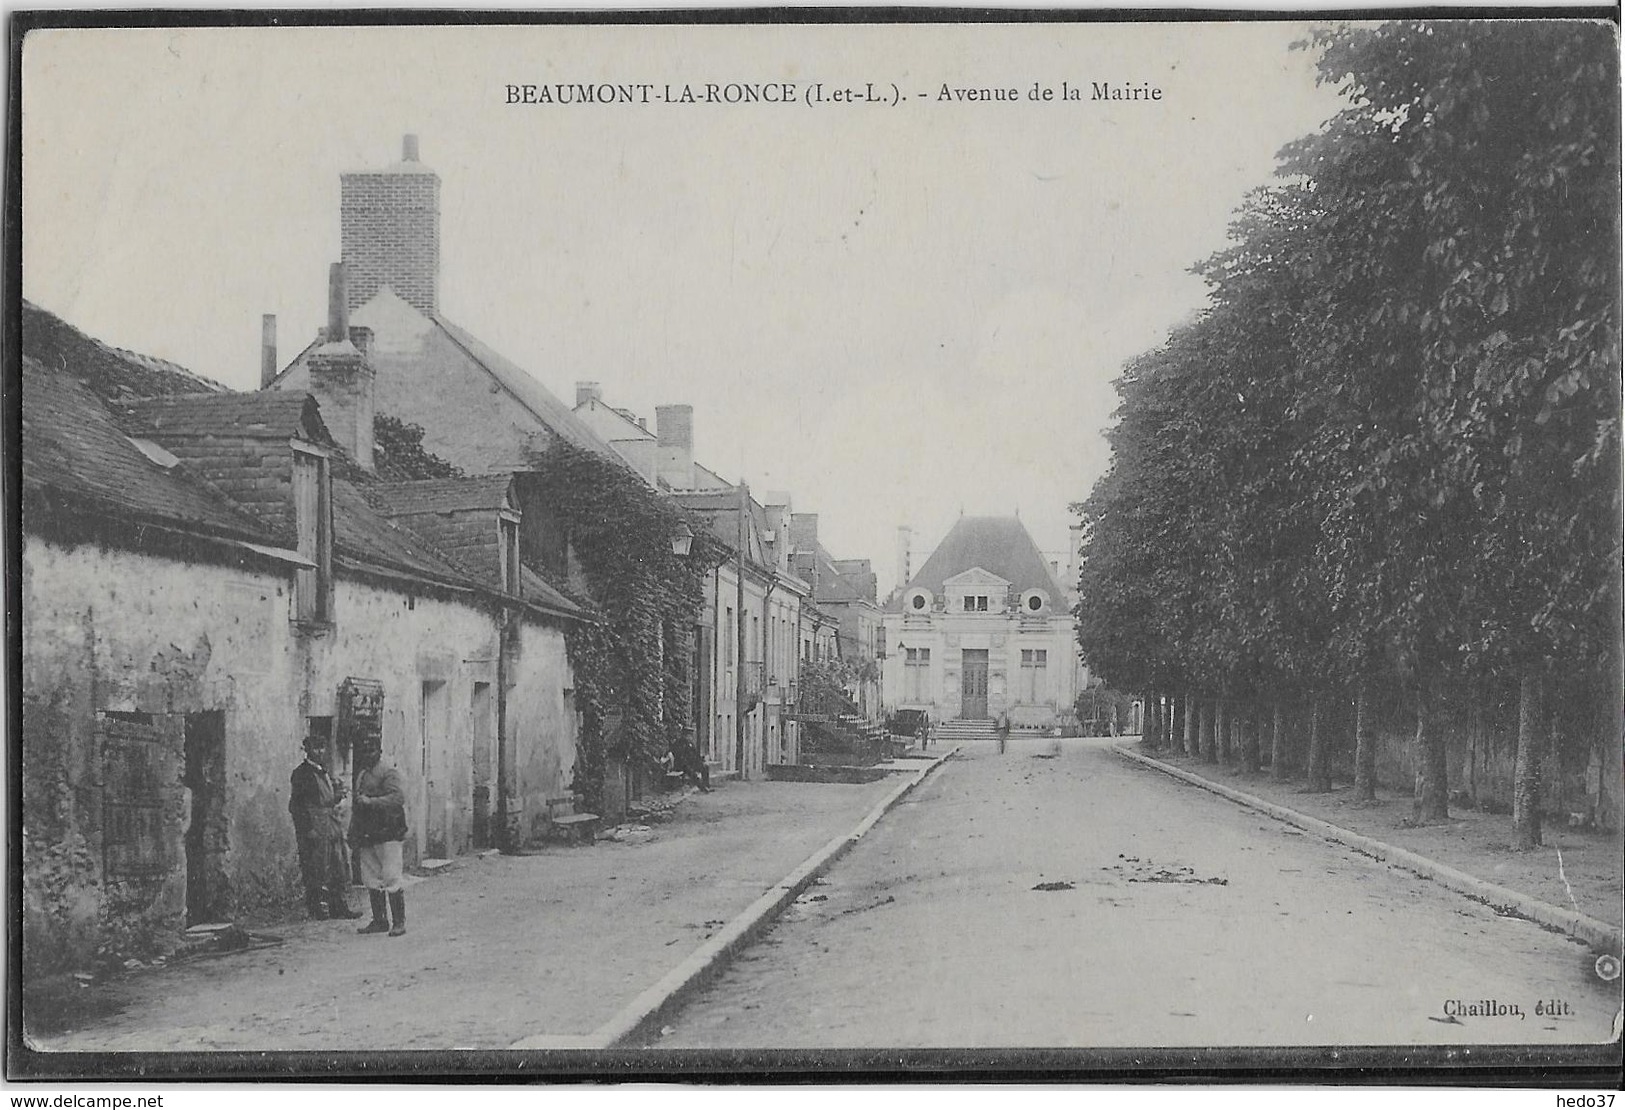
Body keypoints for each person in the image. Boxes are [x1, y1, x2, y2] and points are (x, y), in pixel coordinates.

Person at [288, 734, 360, 920]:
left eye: (322, 748)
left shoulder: (324, 771)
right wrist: (307, 828)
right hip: (314, 825)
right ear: (307, 750)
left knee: (337, 864)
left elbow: (327, 799)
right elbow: (296, 805)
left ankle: (339, 906)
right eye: (315, 748)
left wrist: (337, 795)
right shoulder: (301, 773)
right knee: (315, 867)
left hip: (330, 822)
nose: (320, 752)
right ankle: (316, 908)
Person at [350, 735, 409, 936]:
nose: (367, 754)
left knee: (391, 876)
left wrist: (372, 802)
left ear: (379, 751)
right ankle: (379, 920)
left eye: (371, 750)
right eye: (364, 751)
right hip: (369, 832)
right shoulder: (362, 774)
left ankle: (399, 922)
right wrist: (355, 830)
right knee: (371, 876)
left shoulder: (388, 772)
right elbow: (358, 805)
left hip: (388, 831)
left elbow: (398, 798)